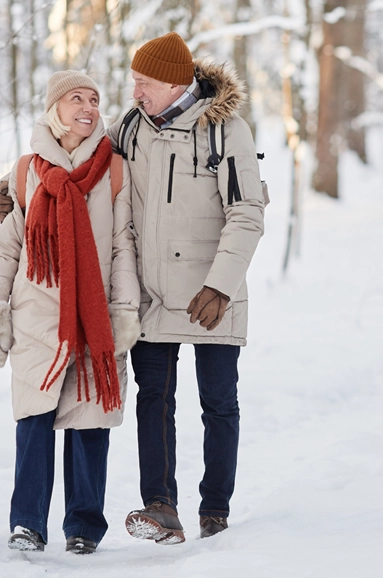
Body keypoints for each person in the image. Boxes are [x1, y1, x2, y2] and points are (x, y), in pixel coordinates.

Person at [113, 32, 267, 544]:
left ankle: (215, 511)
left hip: (210, 295)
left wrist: (221, 286)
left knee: (218, 403)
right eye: (134, 80)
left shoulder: (225, 130)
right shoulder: (132, 128)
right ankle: (160, 507)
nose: (136, 91)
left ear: (176, 83)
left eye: (145, 82)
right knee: (153, 399)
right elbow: (78, 161)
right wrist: (14, 189)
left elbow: (247, 214)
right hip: (153, 293)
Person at [0, 70, 141, 555]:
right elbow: (8, 247)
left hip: (93, 315)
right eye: (76, 98)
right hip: (38, 314)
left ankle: (84, 527)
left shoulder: (113, 168)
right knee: (33, 418)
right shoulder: (28, 169)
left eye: (94, 99)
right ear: (55, 108)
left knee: (89, 420)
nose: (88, 107)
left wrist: (125, 308)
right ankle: (27, 523)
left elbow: (121, 245)